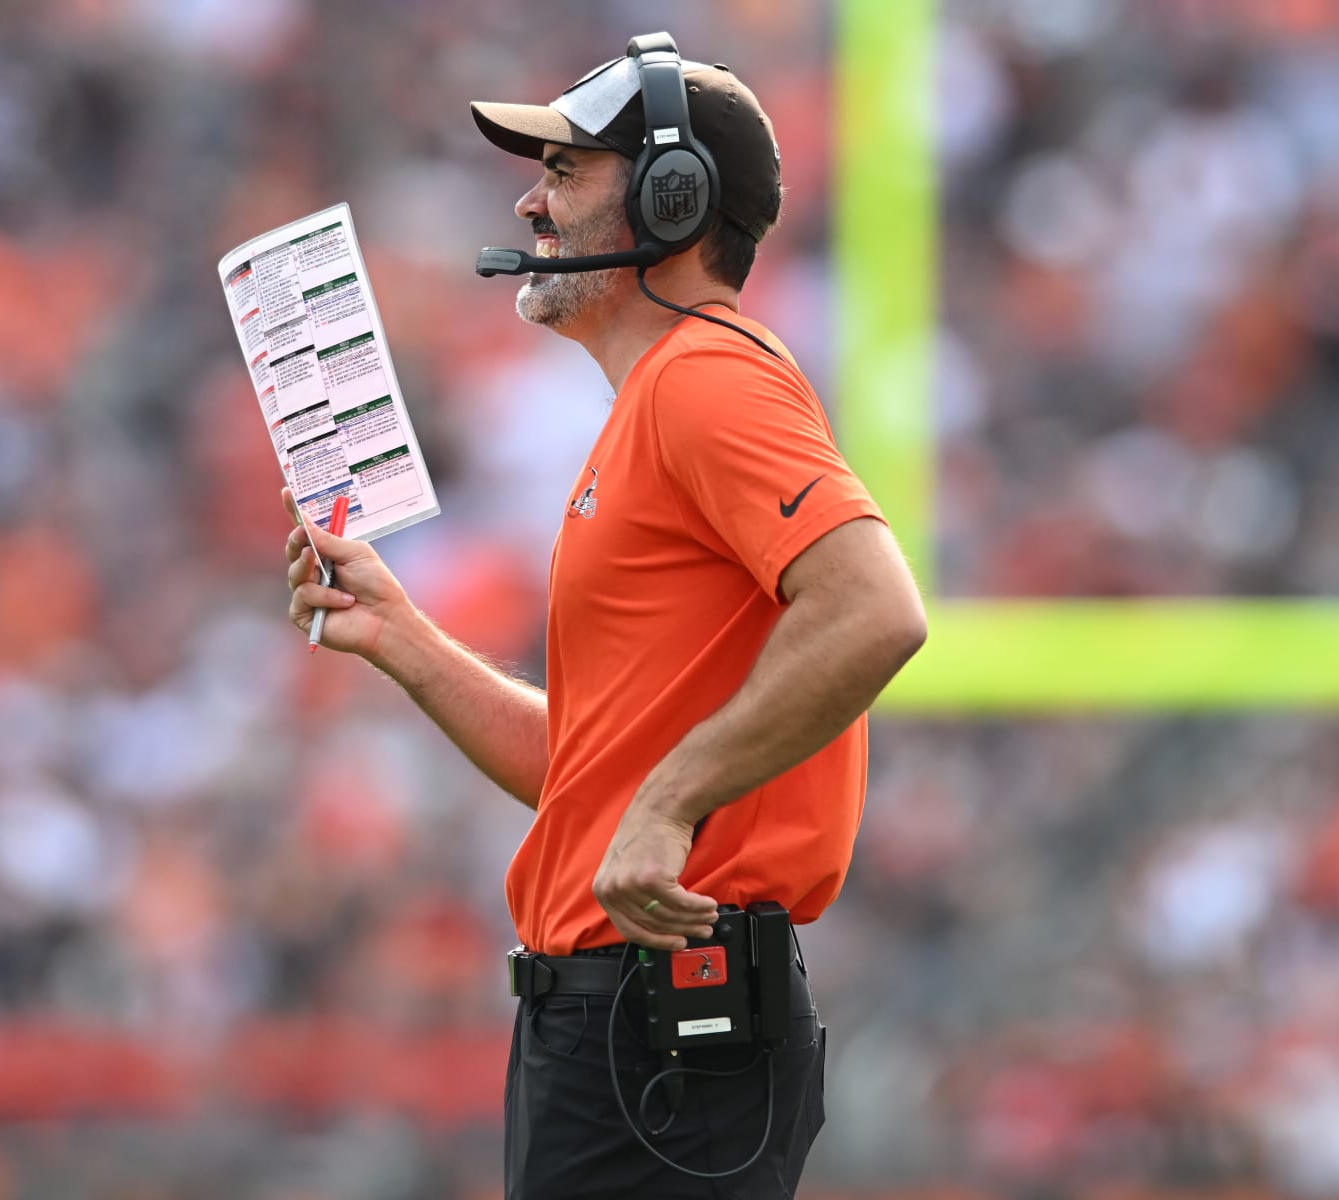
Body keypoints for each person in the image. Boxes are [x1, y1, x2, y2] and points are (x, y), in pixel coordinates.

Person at [282, 36, 926, 1200]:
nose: (530, 198)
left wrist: (673, 804)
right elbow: (598, 787)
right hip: (620, 1031)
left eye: (567, 172)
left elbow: (875, 609)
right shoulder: (654, 407)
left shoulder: (703, 379)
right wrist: (406, 639)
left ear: (672, 199)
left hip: (658, 1026)